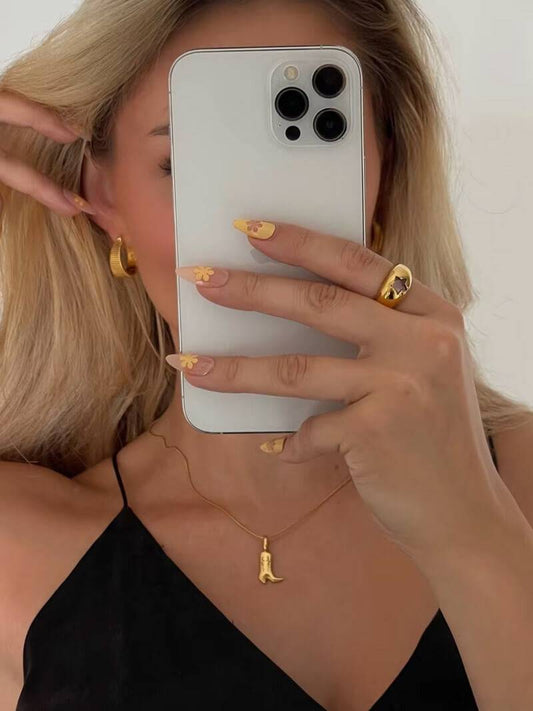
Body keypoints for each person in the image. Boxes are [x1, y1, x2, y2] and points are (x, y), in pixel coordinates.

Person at [1, 0, 532, 709]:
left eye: (312, 157)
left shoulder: (517, 483)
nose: (260, 228)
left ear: (384, 179)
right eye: (187, 164)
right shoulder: (17, 545)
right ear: (104, 198)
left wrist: (471, 532)